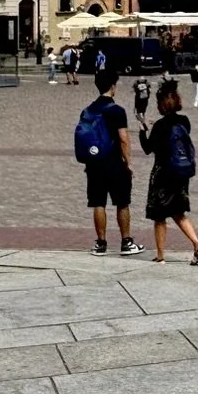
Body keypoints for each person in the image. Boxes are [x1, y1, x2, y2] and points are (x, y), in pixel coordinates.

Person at [141, 78, 198, 264]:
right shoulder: (184, 121)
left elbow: (148, 148)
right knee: (179, 212)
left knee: (160, 216)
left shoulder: (160, 126)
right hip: (181, 173)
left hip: (163, 174)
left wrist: (142, 130)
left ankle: (161, 255)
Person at [80, 70, 143, 257]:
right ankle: (126, 242)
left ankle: (100, 243)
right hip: (114, 163)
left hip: (94, 163)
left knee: (98, 202)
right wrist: (128, 162)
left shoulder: (88, 110)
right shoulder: (117, 111)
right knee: (122, 202)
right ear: (113, 87)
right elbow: (124, 139)